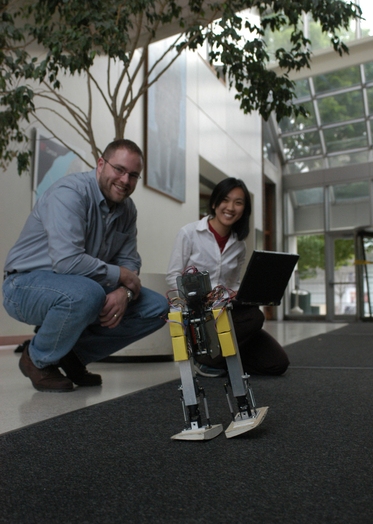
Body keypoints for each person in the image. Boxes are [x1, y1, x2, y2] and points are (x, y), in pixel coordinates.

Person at [3, 139, 168, 392]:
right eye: (119, 170)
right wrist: (121, 275)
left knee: (157, 307)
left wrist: (124, 292)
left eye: (133, 175)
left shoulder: (127, 210)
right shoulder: (70, 193)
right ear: (101, 164)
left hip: (80, 287)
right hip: (23, 286)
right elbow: (67, 261)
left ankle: (72, 355)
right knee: (87, 293)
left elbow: (129, 260)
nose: (125, 180)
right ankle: (36, 359)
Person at [166, 177, 289, 377]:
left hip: (228, 313)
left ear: (244, 210)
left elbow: (234, 283)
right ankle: (205, 359)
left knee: (277, 363)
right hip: (202, 316)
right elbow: (173, 276)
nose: (231, 207)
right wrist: (196, 300)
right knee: (254, 316)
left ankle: (222, 359)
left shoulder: (238, 245)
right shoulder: (189, 233)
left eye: (238, 202)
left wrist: (243, 294)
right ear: (214, 203)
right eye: (226, 200)